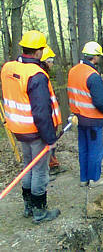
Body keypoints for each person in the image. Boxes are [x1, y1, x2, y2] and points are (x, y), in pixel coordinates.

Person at [1, 30, 61, 223]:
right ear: (38, 52)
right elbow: (42, 112)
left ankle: (28, 206)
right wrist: (50, 140)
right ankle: (39, 211)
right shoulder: (36, 75)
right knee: (40, 171)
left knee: (28, 166)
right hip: (35, 132)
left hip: (17, 129)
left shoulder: (8, 68)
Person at [67, 41, 103, 188]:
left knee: (84, 148)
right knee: (95, 150)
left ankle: (84, 178)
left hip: (79, 118)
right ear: (95, 57)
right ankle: (94, 178)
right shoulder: (93, 75)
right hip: (93, 119)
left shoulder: (73, 70)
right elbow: (100, 101)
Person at [41, 46, 61, 173]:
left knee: (49, 142)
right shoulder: (40, 77)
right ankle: (50, 166)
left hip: (50, 117)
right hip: (47, 118)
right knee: (47, 143)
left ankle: (52, 164)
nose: (52, 63)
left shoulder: (43, 75)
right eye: (51, 60)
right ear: (46, 61)